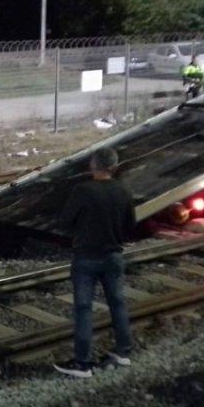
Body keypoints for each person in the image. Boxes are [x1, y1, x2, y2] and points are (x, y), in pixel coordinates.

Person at [54, 148, 137, 378]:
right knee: (117, 304)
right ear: (114, 166)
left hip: (86, 258)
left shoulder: (83, 191)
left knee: (84, 309)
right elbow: (131, 226)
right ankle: (123, 351)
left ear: (93, 166)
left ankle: (83, 363)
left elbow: (64, 222)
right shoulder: (123, 191)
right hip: (113, 256)